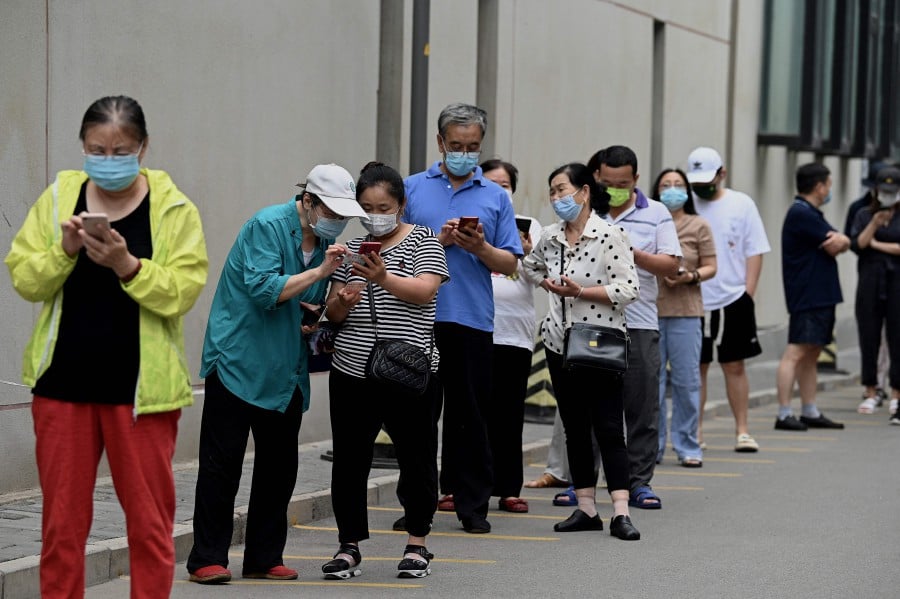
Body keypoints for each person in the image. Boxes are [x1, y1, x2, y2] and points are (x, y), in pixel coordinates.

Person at [4, 95, 209, 599]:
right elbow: (26, 278)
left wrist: (128, 265)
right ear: (82, 146)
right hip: (63, 388)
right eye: (98, 149)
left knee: (149, 527)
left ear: (143, 148)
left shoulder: (173, 206)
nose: (109, 159)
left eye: (121, 150)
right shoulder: (58, 198)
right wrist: (65, 250)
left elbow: (184, 290)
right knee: (61, 531)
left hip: (140, 395)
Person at [187, 163, 366, 584]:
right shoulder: (267, 225)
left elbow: (305, 303)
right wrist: (321, 274)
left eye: (343, 216)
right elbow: (266, 289)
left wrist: (322, 309)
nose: (337, 223)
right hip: (238, 359)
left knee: (279, 467)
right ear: (307, 201)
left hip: (285, 366)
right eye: (331, 212)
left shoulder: (323, 244)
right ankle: (206, 558)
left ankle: (264, 556)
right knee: (221, 464)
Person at [320, 162, 448, 579]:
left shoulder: (425, 241)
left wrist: (383, 277)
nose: (376, 215)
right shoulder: (351, 249)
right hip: (352, 369)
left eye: (384, 206)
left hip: (408, 370)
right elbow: (334, 311)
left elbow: (425, 290)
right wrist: (344, 301)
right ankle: (349, 546)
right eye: (367, 207)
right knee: (351, 460)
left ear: (401, 204)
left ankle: (417, 543)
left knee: (416, 457)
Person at [402, 103, 522, 534]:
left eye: (472, 147)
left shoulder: (494, 196)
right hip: (417, 317)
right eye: (456, 146)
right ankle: (416, 504)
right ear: (440, 143)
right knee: (416, 415)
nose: (464, 153)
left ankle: (473, 507)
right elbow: (396, 251)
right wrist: (439, 239)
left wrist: (478, 247)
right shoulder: (412, 189)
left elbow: (510, 263)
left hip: (471, 318)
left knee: (470, 416)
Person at [521, 162, 640, 540]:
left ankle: (621, 511)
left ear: (584, 192)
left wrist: (579, 293)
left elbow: (628, 289)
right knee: (574, 427)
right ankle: (586, 507)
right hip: (560, 343)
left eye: (563, 190)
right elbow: (529, 266)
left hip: (602, 342)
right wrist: (549, 286)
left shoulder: (609, 235)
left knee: (608, 428)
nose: (558, 198)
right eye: (553, 192)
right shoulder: (552, 237)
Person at [587, 146, 682, 509]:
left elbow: (671, 266)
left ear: (636, 180)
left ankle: (639, 482)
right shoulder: (585, 209)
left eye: (623, 184)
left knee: (641, 407)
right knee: (592, 408)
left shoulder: (655, 213)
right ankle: (585, 483)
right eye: (608, 183)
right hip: (593, 322)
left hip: (639, 323)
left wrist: (630, 251)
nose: (615, 190)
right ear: (597, 178)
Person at [685, 146, 771, 452]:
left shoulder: (741, 204)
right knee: (698, 367)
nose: (702, 188)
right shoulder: (684, 203)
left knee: (735, 365)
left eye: (708, 180)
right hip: (693, 298)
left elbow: (755, 249)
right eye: (697, 183)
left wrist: (748, 293)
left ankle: (742, 430)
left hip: (733, 296)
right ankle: (695, 431)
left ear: (722, 174)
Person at [481, 158, 543, 513]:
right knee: (469, 414)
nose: (499, 189)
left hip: (514, 334)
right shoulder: (469, 223)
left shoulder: (531, 226)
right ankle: (460, 486)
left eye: (505, 184)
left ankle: (508, 488)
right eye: (491, 182)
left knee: (508, 416)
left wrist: (530, 250)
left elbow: (541, 278)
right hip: (474, 330)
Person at [774, 163, 849, 431]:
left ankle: (809, 409)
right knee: (796, 351)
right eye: (828, 185)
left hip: (820, 295)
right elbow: (836, 243)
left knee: (812, 353)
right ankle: (784, 413)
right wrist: (843, 241)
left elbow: (840, 242)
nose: (829, 190)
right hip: (807, 295)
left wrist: (842, 241)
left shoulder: (811, 213)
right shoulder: (800, 214)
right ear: (819, 186)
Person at [651, 168, 717, 467]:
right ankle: (652, 447)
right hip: (649, 312)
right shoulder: (650, 220)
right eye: (666, 185)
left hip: (687, 313)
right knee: (651, 383)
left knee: (687, 381)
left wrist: (689, 276)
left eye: (678, 184)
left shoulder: (698, 225)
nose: (672, 190)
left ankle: (688, 444)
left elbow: (711, 266)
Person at [849, 165, 900, 424]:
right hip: (870, 282)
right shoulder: (862, 214)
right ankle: (870, 389)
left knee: (897, 338)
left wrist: (877, 244)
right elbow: (857, 244)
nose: (888, 195)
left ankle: (896, 393)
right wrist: (875, 223)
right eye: (884, 190)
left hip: (896, 284)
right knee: (868, 336)